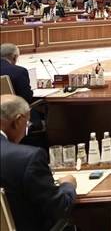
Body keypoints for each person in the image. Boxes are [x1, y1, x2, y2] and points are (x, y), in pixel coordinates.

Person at [1, 95, 77, 231]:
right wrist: (68, 185)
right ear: (18, 121)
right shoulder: (27, 158)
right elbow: (59, 208)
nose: (26, 132)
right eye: (27, 125)